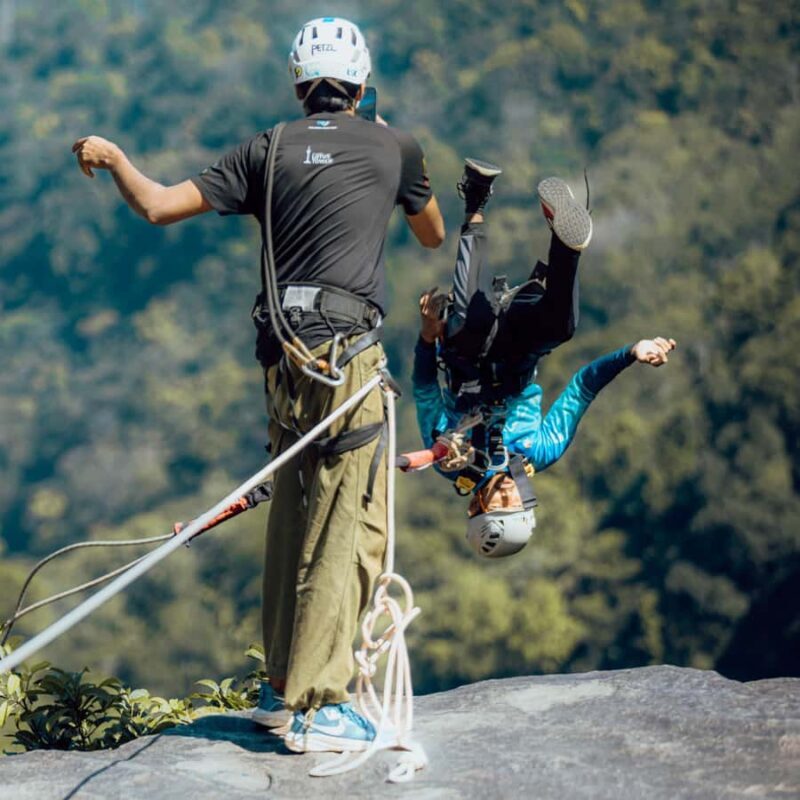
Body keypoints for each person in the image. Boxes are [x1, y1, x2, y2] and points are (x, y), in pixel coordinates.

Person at [72, 16, 445, 753]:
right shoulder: (394, 146)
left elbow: (156, 206)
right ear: (363, 84)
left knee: (292, 515)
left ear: (299, 84)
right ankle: (320, 704)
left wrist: (115, 157)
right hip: (347, 365)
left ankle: (279, 688)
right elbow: (432, 234)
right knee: (346, 523)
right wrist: (395, 160)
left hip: (284, 364)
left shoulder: (265, 150)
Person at [412, 160, 675, 557]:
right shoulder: (540, 450)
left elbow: (425, 388)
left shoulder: (450, 459)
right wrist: (631, 352)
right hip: (518, 349)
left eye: (501, 505)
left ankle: (476, 199)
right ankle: (565, 243)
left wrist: (427, 335)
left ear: (475, 505)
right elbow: (582, 388)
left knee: (469, 319)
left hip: (466, 355)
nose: (509, 493)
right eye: (517, 501)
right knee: (561, 327)